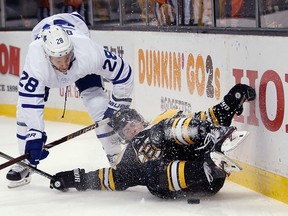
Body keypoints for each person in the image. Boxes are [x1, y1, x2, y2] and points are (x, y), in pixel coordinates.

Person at [49, 84, 256, 199]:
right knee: (148, 172)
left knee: (162, 129)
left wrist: (230, 101)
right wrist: (77, 179)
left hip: (198, 154)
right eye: (126, 129)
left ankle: (214, 135)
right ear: (122, 137)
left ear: (140, 119)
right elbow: (109, 179)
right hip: (196, 183)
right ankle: (209, 168)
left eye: (132, 123)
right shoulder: (127, 157)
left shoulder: (162, 119)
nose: (132, 129)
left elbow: (204, 117)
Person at [6, 12, 134, 188]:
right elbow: (29, 102)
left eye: (67, 56)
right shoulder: (36, 61)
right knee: (23, 113)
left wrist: (116, 107)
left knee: (98, 104)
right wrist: (35, 136)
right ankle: (25, 162)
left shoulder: (87, 52)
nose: (64, 65)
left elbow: (124, 74)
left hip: (76, 29)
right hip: (44, 55)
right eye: (58, 60)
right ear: (47, 55)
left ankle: (116, 158)